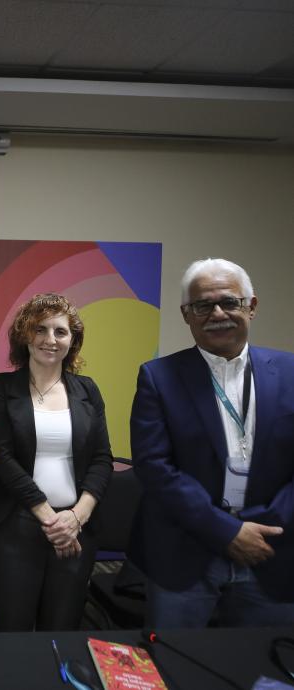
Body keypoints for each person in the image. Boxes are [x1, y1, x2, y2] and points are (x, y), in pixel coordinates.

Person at [129, 257, 294, 627]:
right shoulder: (158, 377)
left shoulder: (291, 372)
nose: (217, 313)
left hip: (271, 549)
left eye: (229, 302)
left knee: (265, 671)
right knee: (175, 664)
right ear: (187, 315)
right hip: (184, 554)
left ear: (251, 306)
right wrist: (227, 531)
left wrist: (265, 526)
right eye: (203, 305)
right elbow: (154, 468)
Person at [0, 293, 113, 631]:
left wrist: (75, 517)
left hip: (76, 528)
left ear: (73, 340)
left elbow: (102, 459)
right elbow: (4, 459)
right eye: (40, 330)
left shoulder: (88, 390)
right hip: (16, 525)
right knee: (13, 627)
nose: (49, 340)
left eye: (60, 331)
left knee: (63, 624)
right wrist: (50, 519)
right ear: (25, 335)